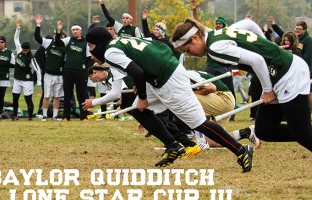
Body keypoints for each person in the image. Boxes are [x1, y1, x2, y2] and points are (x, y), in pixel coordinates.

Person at [85, 27, 254, 172]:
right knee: (134, 106)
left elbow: (137, 72)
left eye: (91, 46)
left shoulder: (110, 52)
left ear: (99, 43)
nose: (91, 53)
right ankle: (173, 145)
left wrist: (143, 96)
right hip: (162, 74)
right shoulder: (120, 41)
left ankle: (241, 150)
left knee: (199, 123)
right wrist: (143, 86)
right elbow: (153, 51)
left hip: (168, 78)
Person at [172, 17, 312, 152]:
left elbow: (257, 60)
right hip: (278, 76)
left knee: (302, 134)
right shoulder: (221, 33)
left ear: (195, 38)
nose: (190, 55)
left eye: (187, 50)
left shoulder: (215, 48)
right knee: (265, 130)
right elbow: (248, 23)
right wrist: (265, 43)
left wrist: (267, 90)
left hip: (288, 74)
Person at [55, 21, 92, 121]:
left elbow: (89, 59)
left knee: (82, 95)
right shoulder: (68, 40)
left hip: (81, 72)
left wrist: (87, 72)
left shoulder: (86, 43)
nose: (75, 32)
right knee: (68, 94)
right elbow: (58, 42)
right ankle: (66, 116)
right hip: (68, 71)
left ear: (81, 31)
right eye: (73, 30)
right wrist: (58, 31)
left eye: (77, 30)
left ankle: (83, 116)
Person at [34, 15, 66, 121]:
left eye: (59, 34)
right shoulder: (48, 43)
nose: (57, 36)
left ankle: (55, 116)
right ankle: (44, 115)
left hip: (59, 75)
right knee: (46, 96)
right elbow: (37, 37)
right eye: (56, 34)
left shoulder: (64, 47)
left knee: (57, 96)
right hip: (48, 74)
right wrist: (38, 25)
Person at [12, 21, 41, 121]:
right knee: (15, 98)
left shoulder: (31, 59)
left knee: (28, 99)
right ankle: (15, 115)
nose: (24, 51)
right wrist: (18, 29)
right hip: (17, 79)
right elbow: (16, 39)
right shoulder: (19, 50)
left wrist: (39, 81)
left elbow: (38, 70)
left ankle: (30, 116)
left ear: (29, 49)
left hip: (27, 81)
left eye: (26, 50)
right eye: (23, 49)